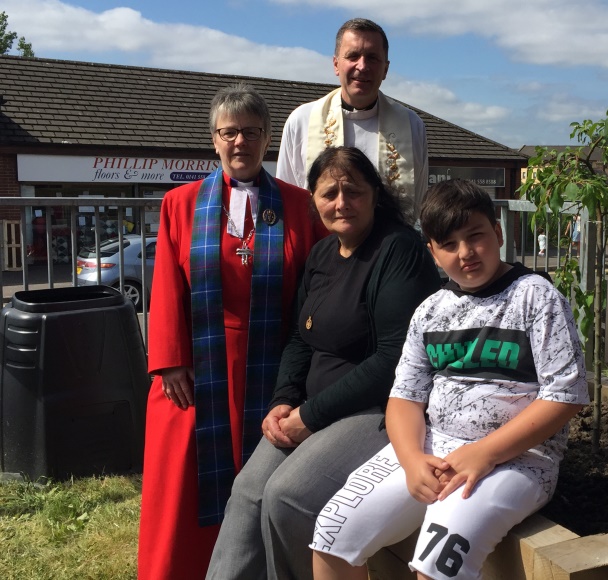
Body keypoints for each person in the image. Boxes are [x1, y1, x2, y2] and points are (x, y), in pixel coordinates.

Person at [311, 179, 589, 580]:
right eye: (449, 244)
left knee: (438, 564)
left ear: (497, 232)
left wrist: (485, 453)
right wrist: (410, 461)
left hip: (518, 460)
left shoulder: (536, 297)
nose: (465, 253)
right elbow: (404, 398)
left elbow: (566, 395)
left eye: (475, 236)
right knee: (331, 535)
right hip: (431, 449)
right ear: (433, 254)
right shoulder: (430, 311)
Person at [207, 146, 441, 579]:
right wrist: (283, 398)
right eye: (328, 192)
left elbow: (395, 358)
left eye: (352, 191)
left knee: (288, 497)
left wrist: (309, 416)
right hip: (313, 407)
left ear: (375, 193)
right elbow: (301, 336)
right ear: (312, 200)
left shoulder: (398, 248)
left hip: (378, 409)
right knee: (248, 492)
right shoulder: (322, 254)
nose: (341, 202)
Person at [138, 83, 327, 580]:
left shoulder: (300, 205)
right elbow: (166, 286)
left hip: (273, 364)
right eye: (228, 133)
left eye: (250, 131)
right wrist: (171, 359)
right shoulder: (179, 203)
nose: (239, 142)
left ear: (267, 139)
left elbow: (319, 287)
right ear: (214, 139)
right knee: (185, 478)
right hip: (199, 364)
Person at [276, 18, 428, 222]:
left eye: (372, 58)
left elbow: (419, 203)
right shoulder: (302, 121)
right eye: (353, 56)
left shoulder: (411, 125)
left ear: (385, 69)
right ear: (336, 64)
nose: (362, 66)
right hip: (321, 249)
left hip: (391, 249)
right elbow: (287, 200)